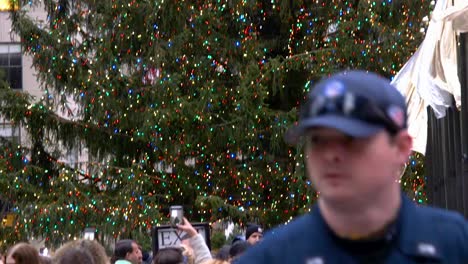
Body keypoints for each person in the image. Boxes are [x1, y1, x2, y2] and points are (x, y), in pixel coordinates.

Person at [237, 70, 468, 263]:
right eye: (318, 140)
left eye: (351, 139)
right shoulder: (272, 258)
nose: (331, 155)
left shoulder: (452, 243)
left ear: (401, 148)